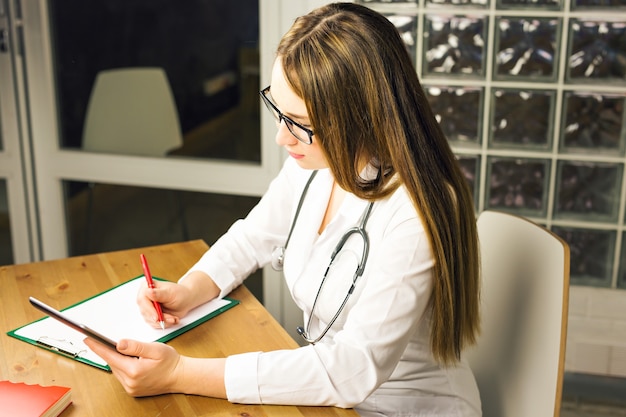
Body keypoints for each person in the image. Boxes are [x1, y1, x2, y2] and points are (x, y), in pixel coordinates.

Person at [85, 3, 482, 416]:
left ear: (360, 115)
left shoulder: (416, 210)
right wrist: (188, 290)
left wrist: (179, 374)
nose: (281, 137)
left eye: (298, 121)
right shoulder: (317, 163)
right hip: (330, 398)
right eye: (278, 110)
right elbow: (251, 238)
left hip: (404, 406)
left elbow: (354, 367)